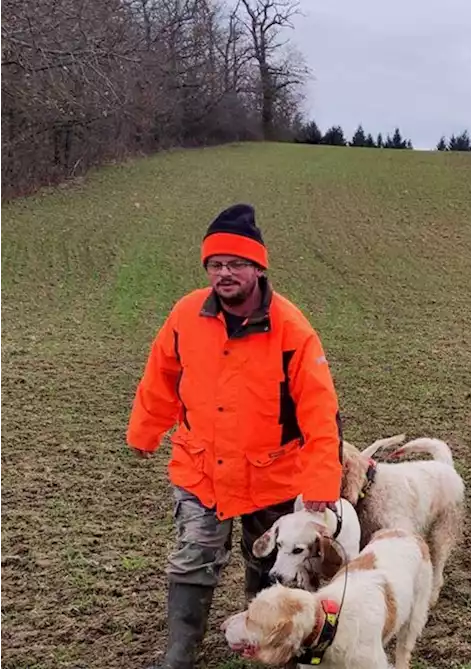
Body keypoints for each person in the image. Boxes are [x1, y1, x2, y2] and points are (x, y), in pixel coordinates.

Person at [126, 203, 345, 669]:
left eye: (236, 264)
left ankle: (270, 640)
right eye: (216, 265)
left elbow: (320, 411)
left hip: (272, 474)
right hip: (200, 467)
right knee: (194, 557)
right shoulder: (187, 314)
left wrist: (323, 482)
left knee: (269, 561)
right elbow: (161, 374)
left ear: (257, 268)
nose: (224, 273)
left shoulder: (292, 329)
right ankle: (180, 651)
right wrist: (145, 430)